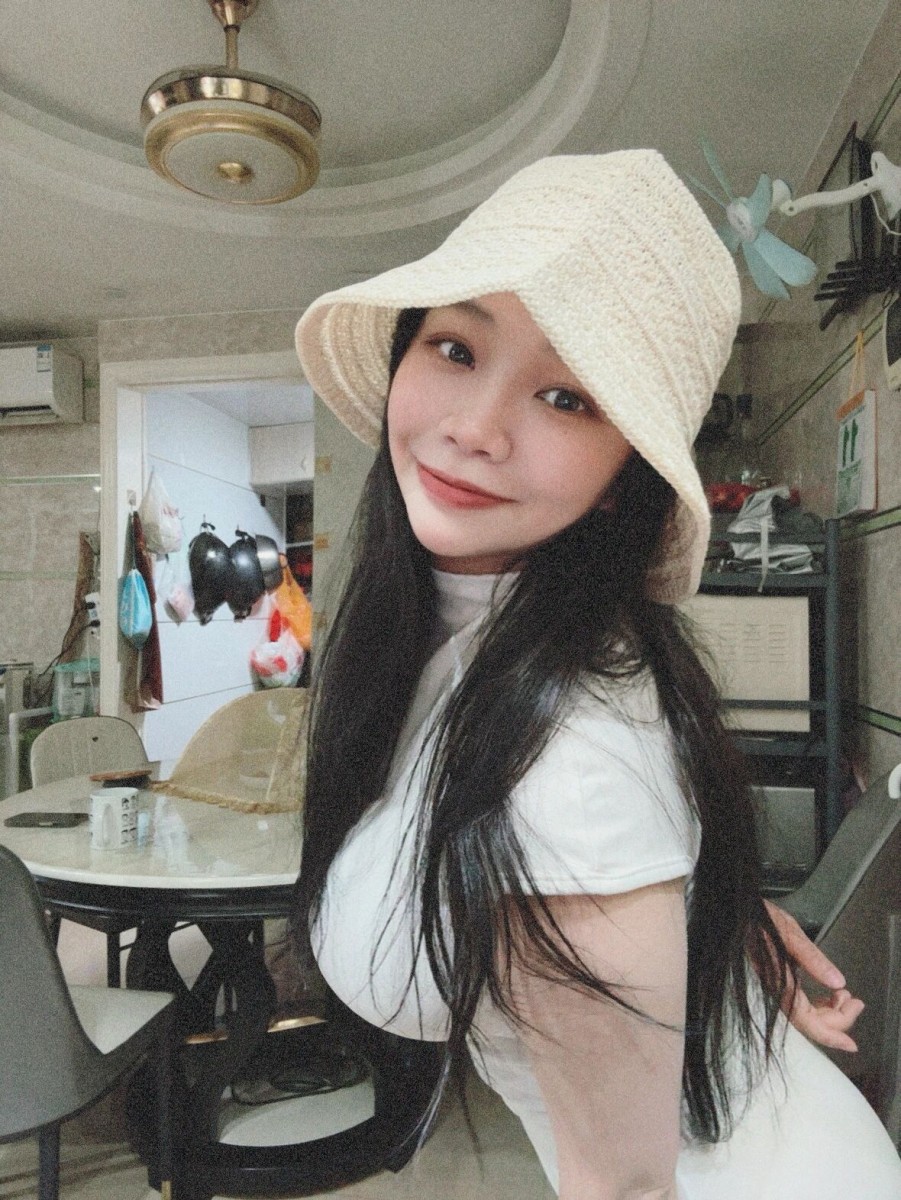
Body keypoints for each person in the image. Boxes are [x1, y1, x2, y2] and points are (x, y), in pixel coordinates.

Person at [292, 151, 901, 1199]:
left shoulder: (572, 761)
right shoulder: (479, 639)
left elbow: (626, 1187)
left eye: (566, 396)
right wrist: (699, 923)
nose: (474, 427)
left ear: (628, 477)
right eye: (455, 346)